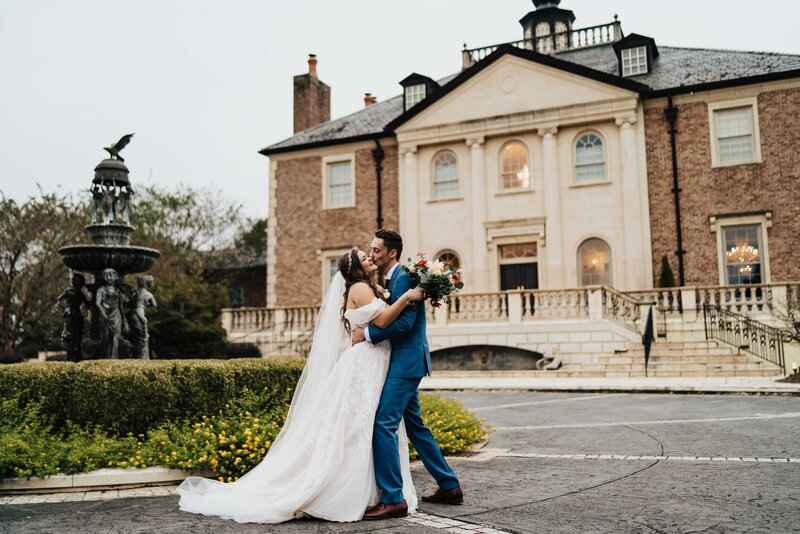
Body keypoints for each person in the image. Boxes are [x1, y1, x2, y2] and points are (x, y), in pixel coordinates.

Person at [177, 248, 424, 524]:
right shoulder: (360, 288)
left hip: (373, 360)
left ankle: (382, 492)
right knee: (358, 425)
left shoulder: (370, 287)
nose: (370, 258)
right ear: (354, 267)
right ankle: (358, 491)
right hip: (367, 363)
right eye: (364, 256)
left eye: (370, 254)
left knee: (365, 424)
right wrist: (406, 297)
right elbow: (382, 320)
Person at [351, 229, 463, 520]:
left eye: (376, 250)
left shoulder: (406, 279)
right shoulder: (393, 280)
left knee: (383, 424)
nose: (372, 254)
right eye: (370, 250)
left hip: (406, 361)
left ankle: (392, 499)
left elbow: (405, 326)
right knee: (415, 425)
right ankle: (449, 485)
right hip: (403, 360)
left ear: (392, 254)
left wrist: (368, 334)